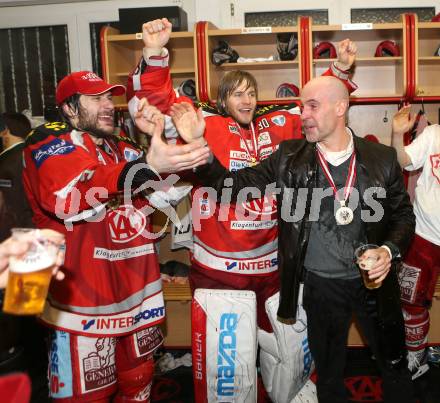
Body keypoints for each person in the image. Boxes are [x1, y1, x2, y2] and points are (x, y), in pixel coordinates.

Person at [127, 18, 357, 402]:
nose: (246, 100)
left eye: (251, 93)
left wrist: (341, 70)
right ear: (222, 100)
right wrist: (154, 55)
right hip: (220, 270)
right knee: (228, 372)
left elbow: (320, 107)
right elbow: (161, 107)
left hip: (270, 269)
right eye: (237, 93)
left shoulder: (276, 125)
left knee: (284, 361)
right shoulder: (209, 124)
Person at [174, 75, 416, 403]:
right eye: (302, 106)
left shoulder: (381, 158)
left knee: (394, 367)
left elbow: (403, 217)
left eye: (313, 106)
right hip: (319, 289)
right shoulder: (289, 157)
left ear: (341, 107)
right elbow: (230, 185)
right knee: (329, 375)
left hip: (373, 285)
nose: (303, 114)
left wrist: (388, 251)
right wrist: (199, 149)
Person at [21, 71, 209, 402]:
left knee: (139, 382)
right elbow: (70, 198)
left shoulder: (120, 146)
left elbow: (164, 191)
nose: (108, 105)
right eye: (96, 98)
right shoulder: (47, 141)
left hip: (136, 296)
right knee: (85, 396)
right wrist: (145, 165)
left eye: (109, 97)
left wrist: (170, 138)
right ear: (69, 108)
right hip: (80, 303)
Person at [0, 112, 52, 402]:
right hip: (42, 243)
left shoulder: (6, 165)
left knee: (27, 326)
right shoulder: (36, 156)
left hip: (21, 249)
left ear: (4, 130)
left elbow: (6, 216)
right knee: (41, 321)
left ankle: (37, 389)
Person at [391, 105, 440, 379]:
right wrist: (398, 135)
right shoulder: (434, 134)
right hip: (426, 235)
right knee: (409, 300)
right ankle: (417, 354)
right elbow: (402, 160)